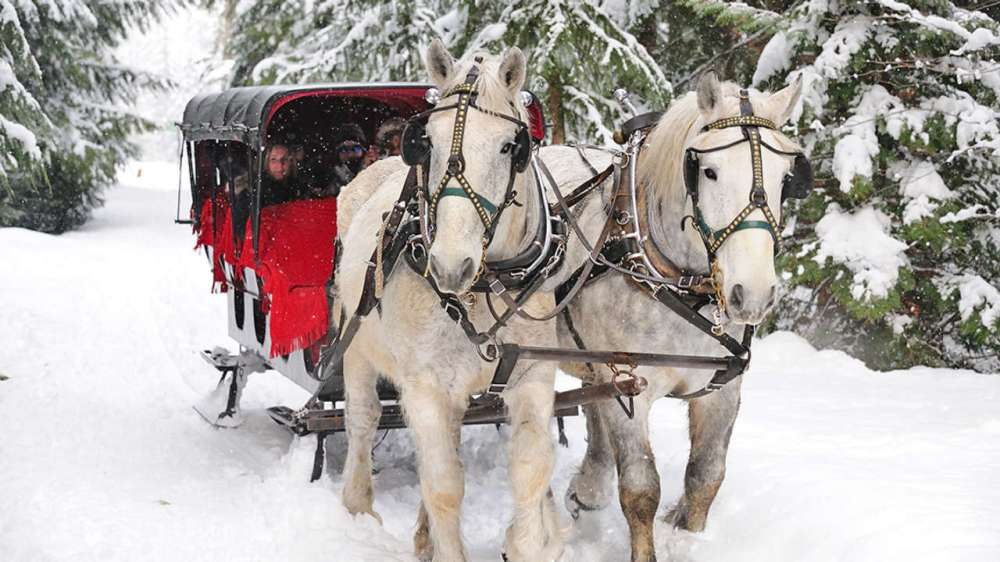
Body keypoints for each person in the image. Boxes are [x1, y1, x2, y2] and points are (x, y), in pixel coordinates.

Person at [327, 123, 368, 195]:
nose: (350, 154)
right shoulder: (328, 176)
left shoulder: (375, 170)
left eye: (355, 149)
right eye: (344, 150)